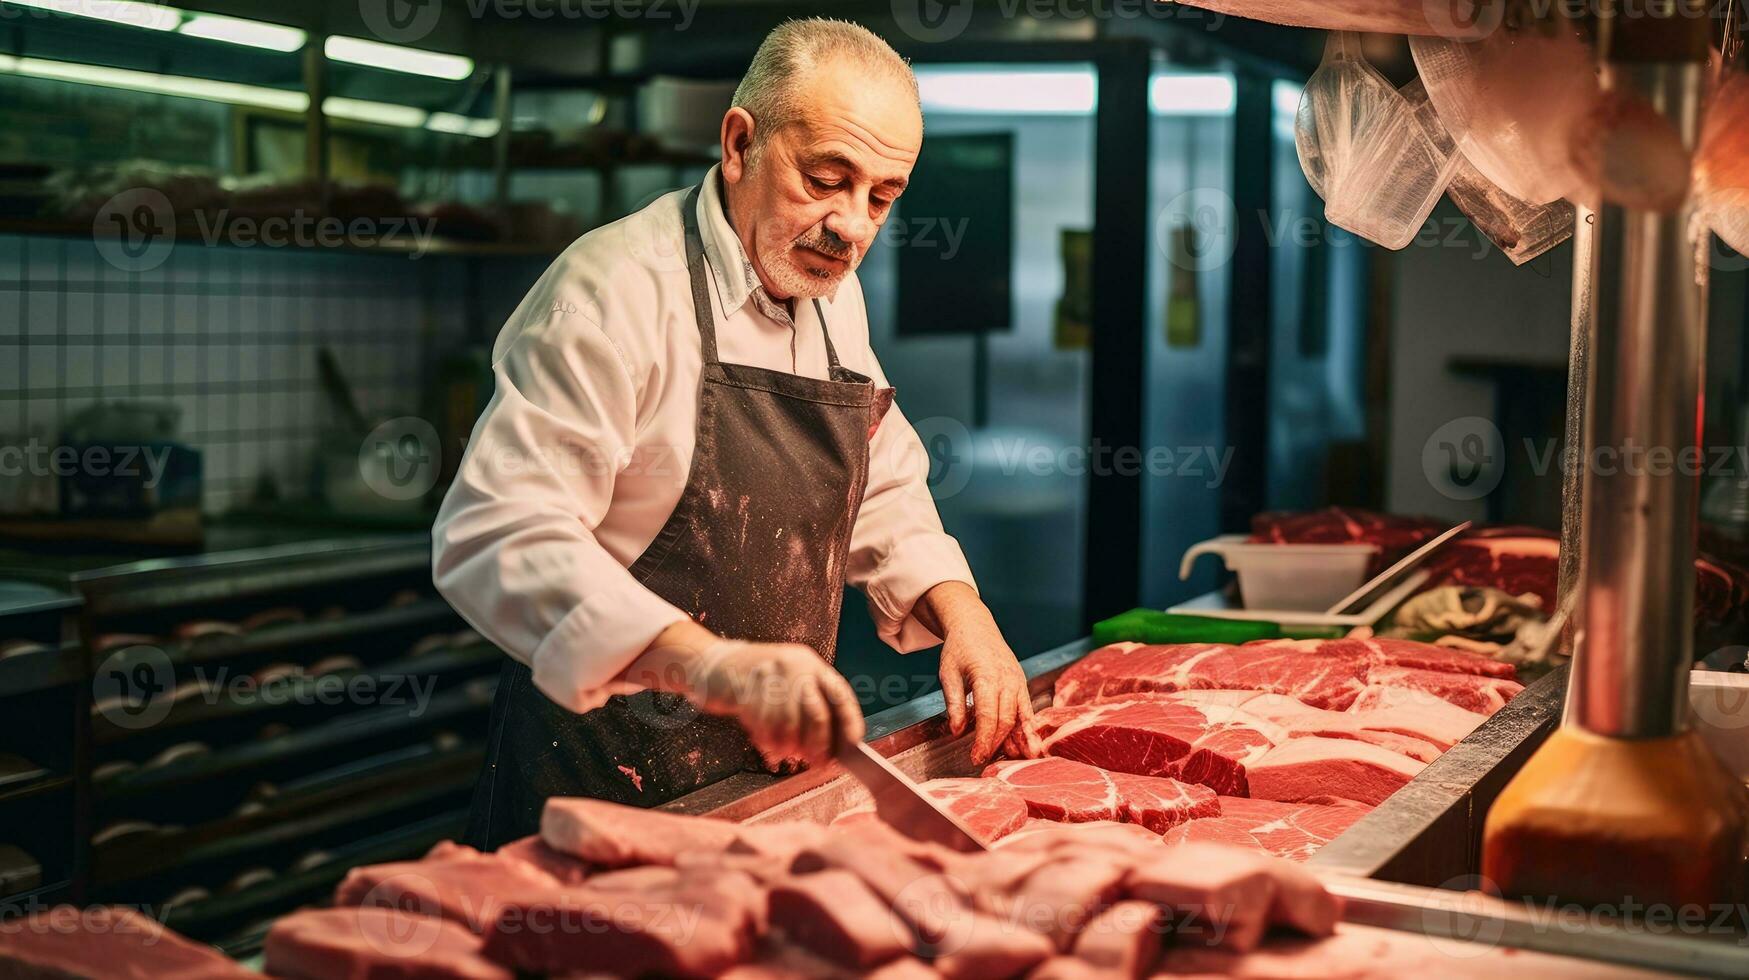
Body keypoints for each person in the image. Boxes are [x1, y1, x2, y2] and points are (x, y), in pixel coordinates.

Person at [434, 18, 1037, 847]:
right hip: (600, 795)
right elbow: (497, 532)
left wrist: (960, 609)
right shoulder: (609, 295)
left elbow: (879, 477)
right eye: (826, 178)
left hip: (759, 793)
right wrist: (710, 665)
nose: (852, 225)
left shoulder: (828, 292)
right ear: (739, 143)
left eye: (882, 197)